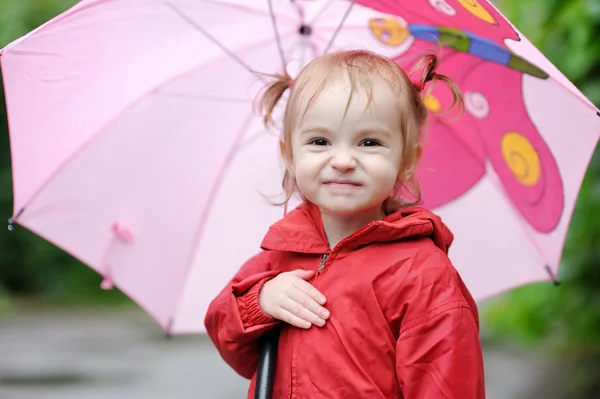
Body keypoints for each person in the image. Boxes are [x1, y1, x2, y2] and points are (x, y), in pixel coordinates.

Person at [204, 49, 485, 398]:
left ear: (407, 160)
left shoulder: (423, 275)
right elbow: (229, 337)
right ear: (290, 155)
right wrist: (260, 302)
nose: (342, 160)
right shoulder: (279, 257)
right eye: (320, 142)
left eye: (369, 142)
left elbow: (446, 384)